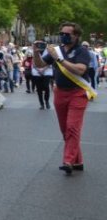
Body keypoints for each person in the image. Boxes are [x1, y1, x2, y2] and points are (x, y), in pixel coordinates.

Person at [42, 23, 94, 175]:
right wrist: (36, 52)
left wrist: (58, 59)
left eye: (67, 34)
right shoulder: (56, 50)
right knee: (65, 129)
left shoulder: (81, 51)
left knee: (72, 127)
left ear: (76, 36)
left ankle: (68, 161)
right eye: (61, 33)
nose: (63, 36)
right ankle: (78, 161)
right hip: (60, 92)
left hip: (78, 93)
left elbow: (80, 69)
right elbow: (40, 65)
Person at [32, 40, 53, 109]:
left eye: (42, 44)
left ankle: (47, 101)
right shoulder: (34, 50)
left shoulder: (48, 51)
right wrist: (39, 70)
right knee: (39, 89)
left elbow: (50, 62)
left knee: (46, 86)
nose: (40, 45)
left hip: (47, 71)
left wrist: (43, 69)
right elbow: (33, 62)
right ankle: (41, 104)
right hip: (37, 72)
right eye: (39, 44)